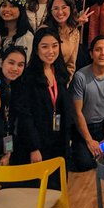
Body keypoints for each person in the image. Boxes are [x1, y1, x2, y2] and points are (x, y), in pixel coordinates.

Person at [20, 30, 74, 166]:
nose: (51, 51)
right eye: (45, 47)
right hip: (38, 141)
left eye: (55, 46)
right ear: (37, 50)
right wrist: (34, 147)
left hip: (59, 139)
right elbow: (25, 115)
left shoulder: (61, 72)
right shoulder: (28, 77)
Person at [70, 36, 104, 171]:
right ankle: (89, 150)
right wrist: (89, 140)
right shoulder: (80, 76)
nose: (102, 53)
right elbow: (77, 112)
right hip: (83, 129)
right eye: (98, 50)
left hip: (102, 127)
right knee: (84, 163)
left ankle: (100, 150)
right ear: (91, 53)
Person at [0, 44, 29, 160]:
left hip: (8, 141)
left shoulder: (19, 88)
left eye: (20, 65)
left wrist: (8, 152)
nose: (15, 69)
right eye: (11, 63)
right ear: (1, 63)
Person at [0, 0, 34, 74]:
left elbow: (23, 65)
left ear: (21, 9)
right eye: (4, 6)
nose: (7, 9)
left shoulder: (27, 37)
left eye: (12, 6)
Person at [50, 0, 83, 87]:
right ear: (50, 10)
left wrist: (65, 84)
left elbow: (71, 64)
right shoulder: (45, 30)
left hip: (63, 82)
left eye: (64, 7)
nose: (60, 12)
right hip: (44, 81)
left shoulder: (74, 32)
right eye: (55, 8)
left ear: (70, 8)